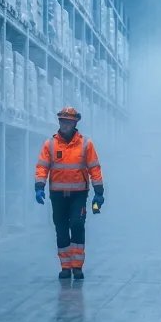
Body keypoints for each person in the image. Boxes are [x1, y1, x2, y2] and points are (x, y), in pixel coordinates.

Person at [35, 107, 104, 280]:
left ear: (75, 123)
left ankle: (77, 266)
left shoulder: (86, 144)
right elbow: (42, 167)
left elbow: (94, 168)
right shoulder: (50, 144)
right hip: (57, 195)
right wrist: (39, 186)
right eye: (62, 121)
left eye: (67, 121)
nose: (64, 124)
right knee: (61, 229)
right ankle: (65, 267)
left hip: (79, 194)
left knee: (77, 225)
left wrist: (99, 192)